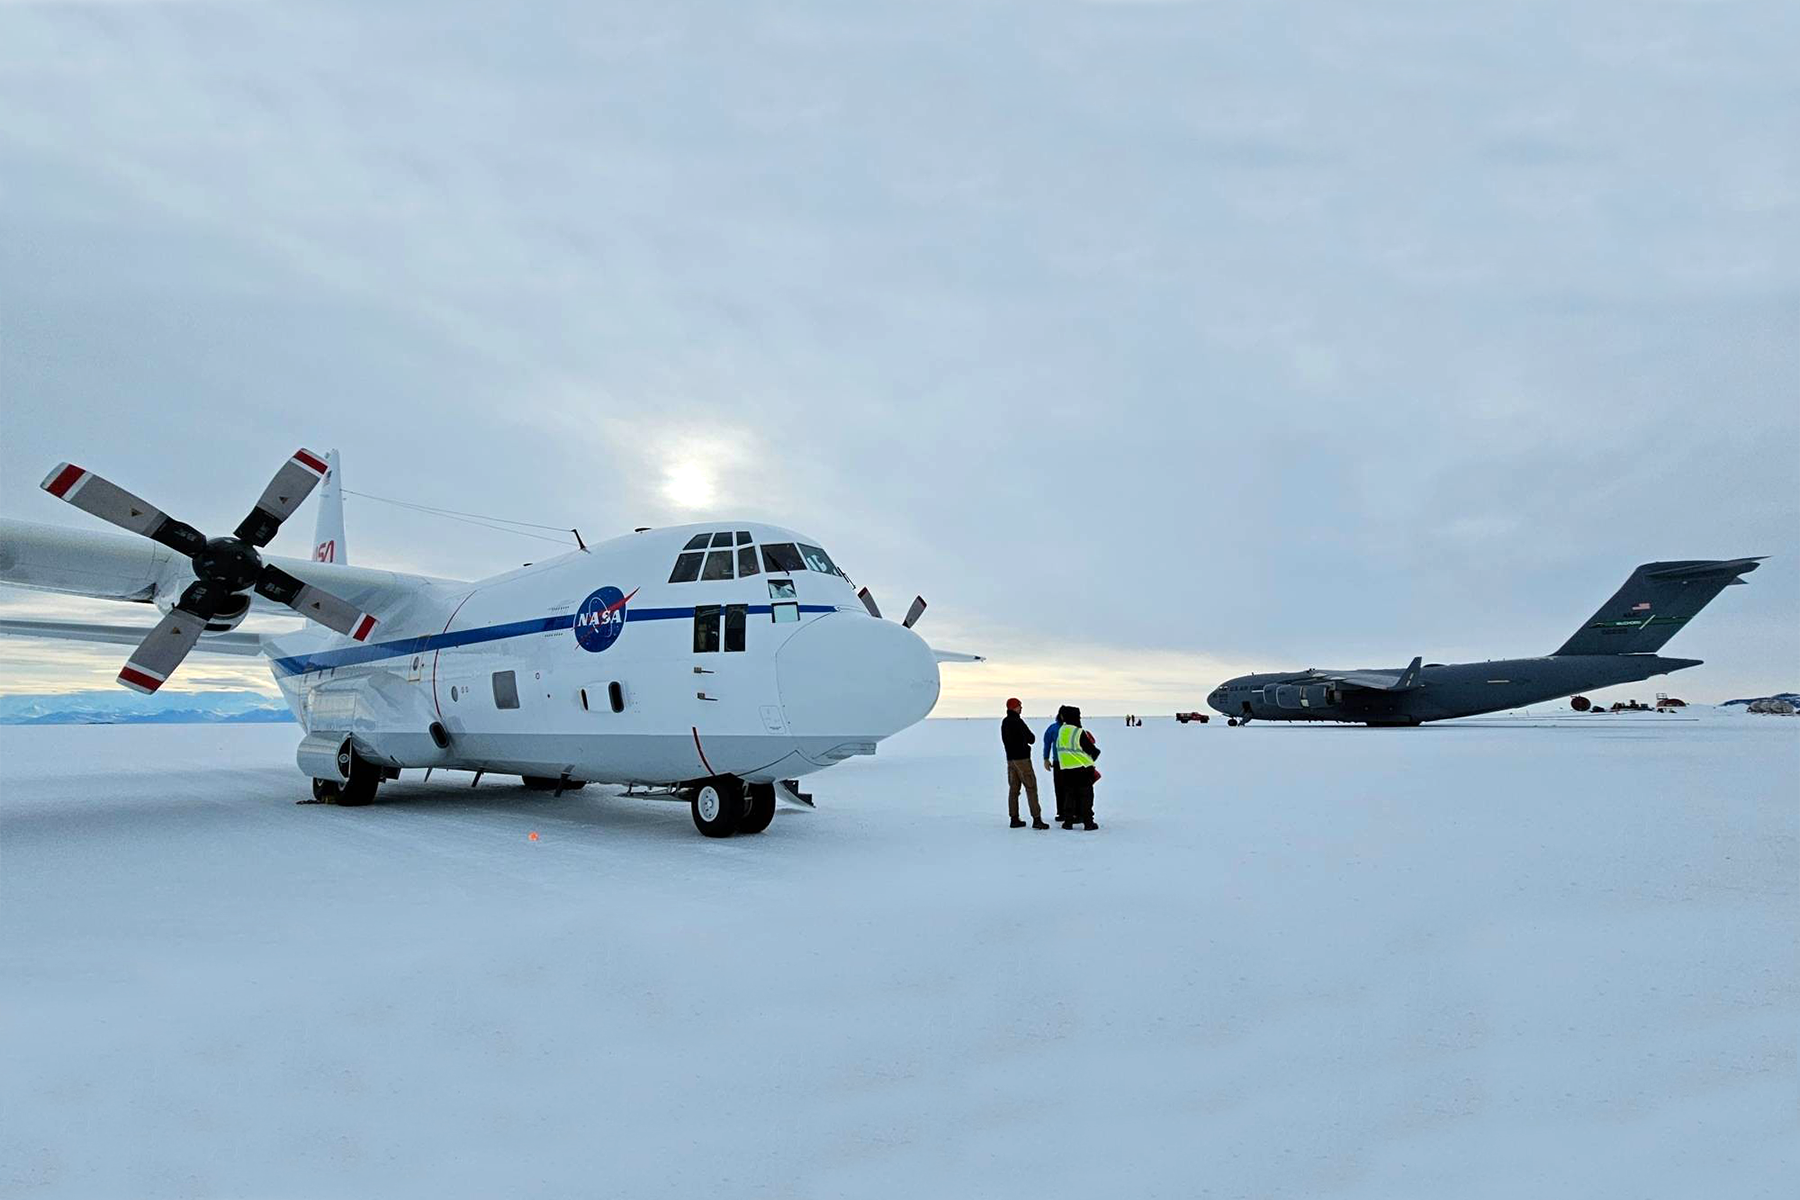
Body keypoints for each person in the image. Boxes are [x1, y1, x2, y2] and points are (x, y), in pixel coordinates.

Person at [1044, 704, 1101, 830]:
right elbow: (1091, 750)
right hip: (1082, 769)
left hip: (1066, 769)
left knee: (1069, 795)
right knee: (1086, 796)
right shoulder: (1078, 732)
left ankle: (1068, 822)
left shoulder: (1061, 731)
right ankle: (1088, 823)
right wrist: (1095, 755)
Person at [1000, 698, 1047, 829]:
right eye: (1020, 706)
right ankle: (1037, 819)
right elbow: (1031, 738)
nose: (1021, 708)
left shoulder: (1005, 722)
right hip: (1022, 759)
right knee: (1031, 788)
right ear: (1014, 707)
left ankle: (1014, 818)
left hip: (1010, 760)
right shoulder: (1018, 722)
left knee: (1014, 790)